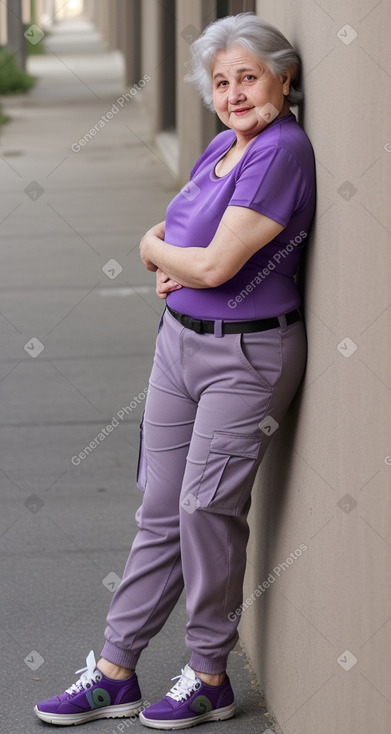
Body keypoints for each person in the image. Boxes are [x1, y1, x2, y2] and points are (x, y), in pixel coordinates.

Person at [34, 12, 315, 730]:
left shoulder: (280, 153)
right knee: (158, 512)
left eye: (247, 77)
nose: (233, 94)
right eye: (220, 82)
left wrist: (154, 252)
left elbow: (216, 263)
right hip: (179, 344)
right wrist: (171, 261)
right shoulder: (222, 147)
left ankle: (210, 674)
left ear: (284, 77)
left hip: (245, 355)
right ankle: (113, 672)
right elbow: (184, 237)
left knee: (205, 510)